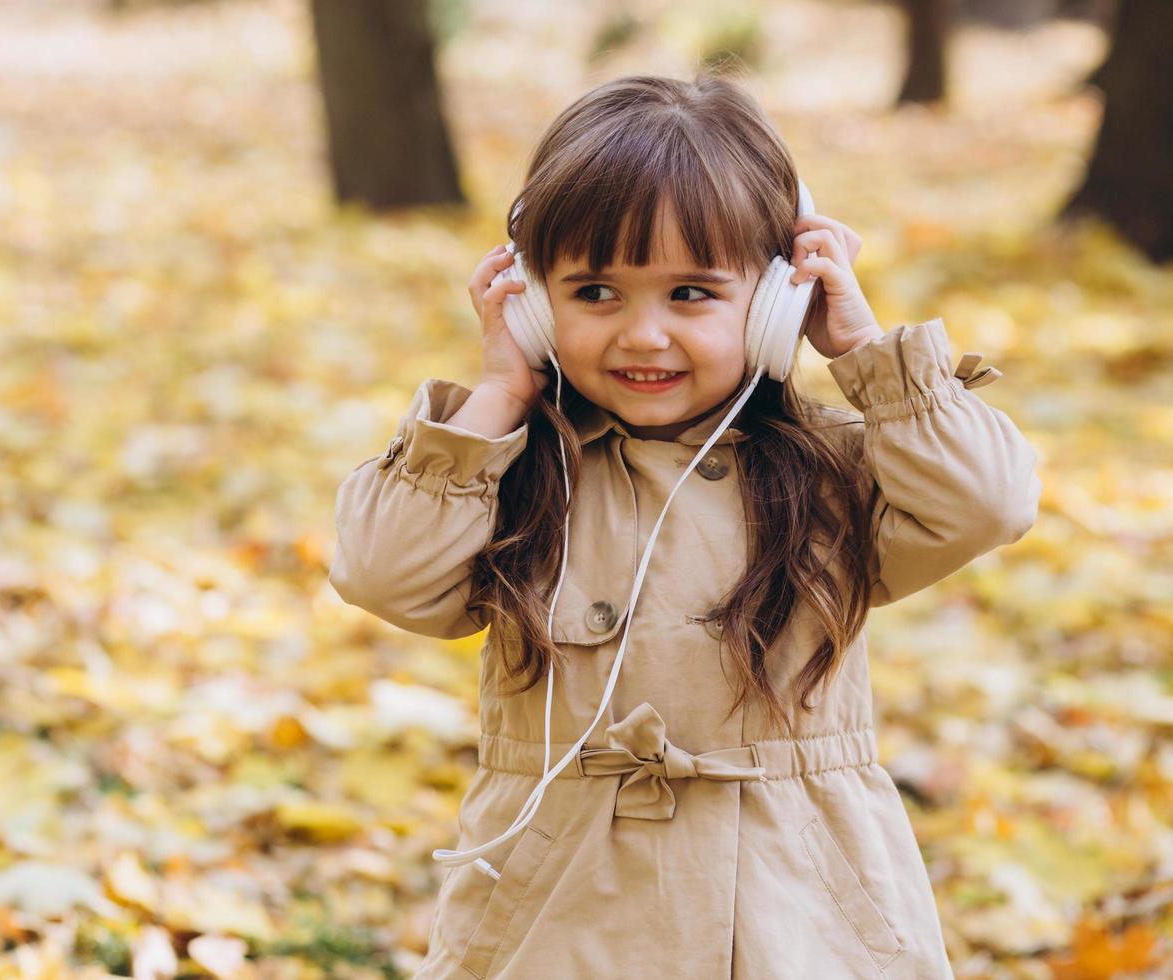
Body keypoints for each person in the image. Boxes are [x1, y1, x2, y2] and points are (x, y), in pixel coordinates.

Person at [328, 68, 1040, 979]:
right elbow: (380, 571)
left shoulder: (830, 471)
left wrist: (862, 350)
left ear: (781, 297)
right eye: (594, 294)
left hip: (803, 911)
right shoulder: (515, 471)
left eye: (692, 294)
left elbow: (991, 500)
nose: (643, 335)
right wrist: (501, 394)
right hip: (559, 912)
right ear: (534, 302)